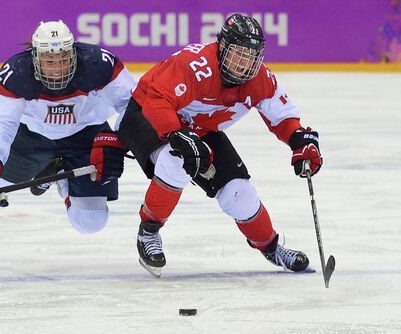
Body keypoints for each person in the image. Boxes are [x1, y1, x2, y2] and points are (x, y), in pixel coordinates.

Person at [116, 14, 322, 277]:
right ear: (222, 46)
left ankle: (270, 247)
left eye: (251, 57)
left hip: (198, 127)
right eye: (239, 54)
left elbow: (283, 117)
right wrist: (177, 134)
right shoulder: (195, 64)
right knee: (176, 161)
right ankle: (148, 232)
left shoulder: (258, 78)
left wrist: (300, 142)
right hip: (146, 113)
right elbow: (157, 99)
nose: (244, 64)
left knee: (239, 192)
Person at [0, 20, 136, 239]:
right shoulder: (16, 73)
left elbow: (132, 105)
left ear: (74, 53)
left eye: (63, 59)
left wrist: (119, 139)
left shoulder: (99, 64)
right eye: (50, 60)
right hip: (33, 137)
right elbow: (0, 124)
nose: (57, 69)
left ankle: (60, 176)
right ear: (36, 57)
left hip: (88, 137)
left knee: (91, 222)